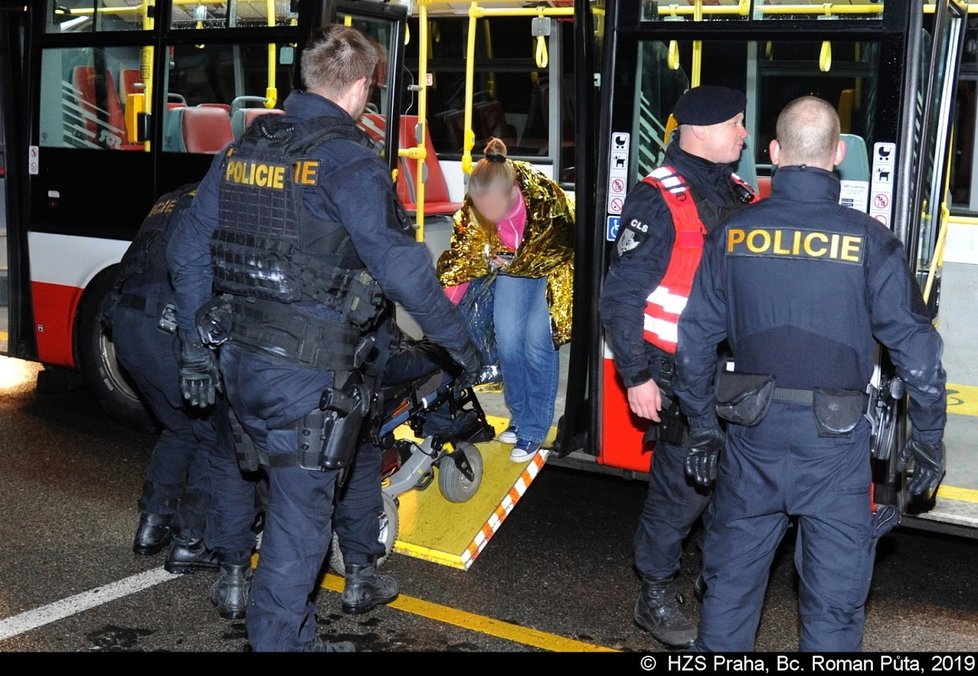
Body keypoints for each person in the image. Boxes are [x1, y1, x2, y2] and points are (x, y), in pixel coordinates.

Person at [167, 25, 482, 653]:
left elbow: (186, 249)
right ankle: (280, 643)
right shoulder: (348, 161)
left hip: (238, 365)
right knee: (299, 524)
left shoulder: (243, 151)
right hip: (306, 374)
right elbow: (402, 270)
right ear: (362, 86)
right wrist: (460, 346)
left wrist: (196, 351)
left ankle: (295, 635)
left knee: (276, 496)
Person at [675, 96, 947, 651]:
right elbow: (918, 357)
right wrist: (929, 442)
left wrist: (703, 428)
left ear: (774, 153)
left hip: (750, 439)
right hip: (836, 445)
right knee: (833, 605)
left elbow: (695, 339)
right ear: (839, 154)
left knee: (729, 592)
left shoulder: (733, 232)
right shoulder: (871, 241)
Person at [599, 85, 753, 648]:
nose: (743, 133)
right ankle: (655, 593)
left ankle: (716, 588)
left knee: (734, 492)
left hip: (736, 377)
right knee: (681, 495)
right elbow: (619, 298)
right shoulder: (656, 197)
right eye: (736, 123)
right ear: (702, 131)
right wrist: (635, 376)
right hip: (676, 377)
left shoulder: (737, 190)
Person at [108, 184, 257, 620]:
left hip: (126, 326)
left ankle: (152, 525)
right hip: (166, 330)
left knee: (179, 427)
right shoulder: (225, 199)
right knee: (216, 439)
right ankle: (192, 543)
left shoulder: (172, 196)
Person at [437, 138, 574, 463]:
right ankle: (520, 415)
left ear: (510, 193)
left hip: (556, 267)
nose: (486, 216)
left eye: (490, 210)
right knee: (509, 340)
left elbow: (557, 246)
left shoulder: (542, 200)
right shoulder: (479, 202)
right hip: (513, 264)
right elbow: (464, 256)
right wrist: (440, 310)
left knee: (535, 343)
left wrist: (510, 260)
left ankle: (535, 427)